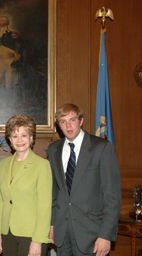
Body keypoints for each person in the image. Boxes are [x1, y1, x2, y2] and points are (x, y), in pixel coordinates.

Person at [47, 103, 121, 256]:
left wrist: (106, 235)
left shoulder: (101, 148)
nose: (68, 125)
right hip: (62, 232)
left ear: (81, 121)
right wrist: (52, 224)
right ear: (58, 125)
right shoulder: (53, 149)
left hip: (91, 234)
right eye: (63, 121)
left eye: (72, 120)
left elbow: (112, 196)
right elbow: (54, 192)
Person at [0, 114, 52, 256]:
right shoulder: (4, 164)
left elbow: (45, 207)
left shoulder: (42, 165)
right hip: (7, 233)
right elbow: (1, 201)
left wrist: (38, 240)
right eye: (14, 136)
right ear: (9, 140)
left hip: (31, 235)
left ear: (31, 138)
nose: (19, 140)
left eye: (24, 135)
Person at [0, 15, 23, 88]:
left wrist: (17, 56)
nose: (1, 22)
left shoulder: (12, 33)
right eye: (0, 20)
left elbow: (19, 44)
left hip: (10, 60)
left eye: (3, 20)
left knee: (9, 82)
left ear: (7, 22)